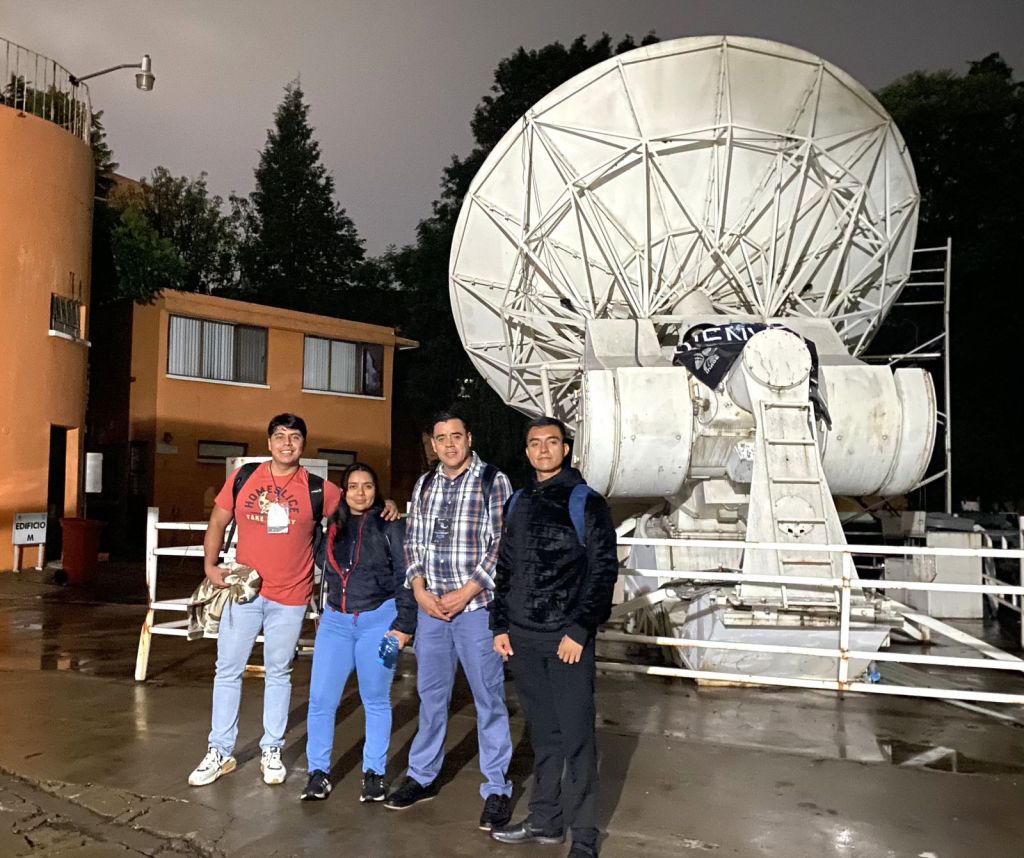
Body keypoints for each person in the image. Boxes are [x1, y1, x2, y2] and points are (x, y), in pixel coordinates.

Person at [187, 414, 396, 787]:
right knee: (228, 669)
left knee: (279, 673)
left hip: (292, 596)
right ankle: (219, 751)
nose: (287, 443)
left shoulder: (319, 489)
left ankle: (272, 749)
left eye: (295, 437)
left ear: (303, 444)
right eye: (280, 437)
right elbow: (218, 522)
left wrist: (388, 505)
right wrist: (210, 565)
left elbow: (359, 505)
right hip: (245, 591)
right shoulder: (244, 478)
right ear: (269, 443)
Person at [489, 416, 619, 858]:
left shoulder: (586, 502)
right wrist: (500, 624)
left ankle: (584, 836)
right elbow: (505, 567)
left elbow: (603, 572)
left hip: (567, 641)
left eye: (551, 442)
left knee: (578, 738)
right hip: (523, 638)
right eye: (534, 443)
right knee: (544, 735)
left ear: (566, 449)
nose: (542, 450)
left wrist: (580, 629)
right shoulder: (520, 500)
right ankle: (545, 821)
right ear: (526, 451)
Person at [384, 412, 514, 832]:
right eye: (441, 438)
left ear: (469, 438)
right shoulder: (424, 485)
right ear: (433, 445)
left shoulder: (493, 481)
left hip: (474, 611)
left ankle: (496, 787)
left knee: (488, 699)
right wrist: (419, 588)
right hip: (432, 612)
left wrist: (469, 590)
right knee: (432, 697)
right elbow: (414, 541)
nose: (450, 445)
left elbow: (501, 544)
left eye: (456, 436)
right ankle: (422, 777)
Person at [301, 462, 416, 803]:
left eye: (367, 486)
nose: (360, 492)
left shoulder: (390, 526)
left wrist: (403, 626)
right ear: (344, 490)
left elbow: (406, 578)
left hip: (380, 622)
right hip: (336, 622)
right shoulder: (333, 527)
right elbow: (321, 561)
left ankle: (374, 774)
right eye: (353, 486)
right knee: (321, 700)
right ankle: (317, 773)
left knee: (376, 699)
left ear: (376, 490)